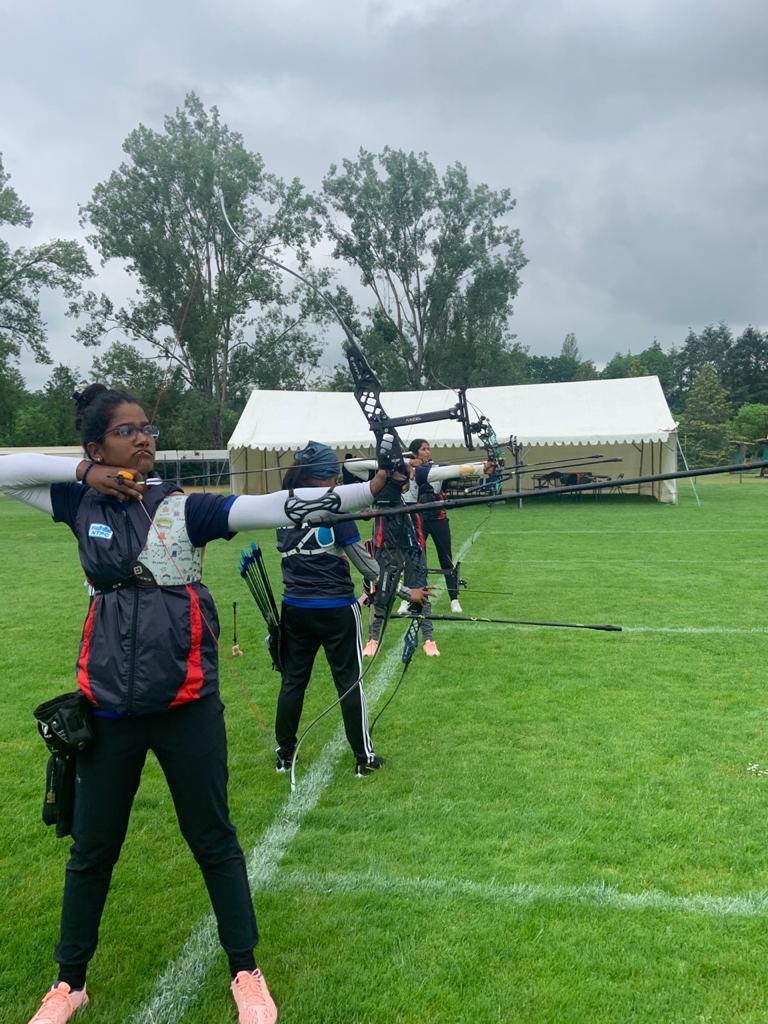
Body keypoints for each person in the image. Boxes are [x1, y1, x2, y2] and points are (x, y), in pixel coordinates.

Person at [1, 384, 390, 1024]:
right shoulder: (77, 500)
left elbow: (276, 506)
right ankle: (69, 983)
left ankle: (245, 970)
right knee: (93, 851)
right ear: (97, 447)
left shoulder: (184, 507)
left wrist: (370, 490)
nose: (144, 438)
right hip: (109, 707)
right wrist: (83, 474)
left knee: (213, 839)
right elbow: (5, 470)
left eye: (147, 428)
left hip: (187, 705)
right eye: (127, 431)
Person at [274, 442, 430, 778]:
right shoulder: (335, 508)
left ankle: (284, 755)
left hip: (294, 609)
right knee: (349, 683)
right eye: (333, 476)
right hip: (335, 611)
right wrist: (408, 592)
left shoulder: (283, 508)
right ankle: (364, 758)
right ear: (324, 476)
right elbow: (369, 568)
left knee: (293, 681)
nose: (336, 483)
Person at [405, 439, 495, 615]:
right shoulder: (405, 468)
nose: (428, 452)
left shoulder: (437, 468)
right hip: (418, 520)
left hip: (438, 519)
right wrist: (408, 463)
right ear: (414, 453)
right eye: (423, 449)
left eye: (428, 449)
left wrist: (482, 467)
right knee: (415, 559)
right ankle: (409, 598)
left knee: (446, 559)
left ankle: (454, 599)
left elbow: (455, 470)